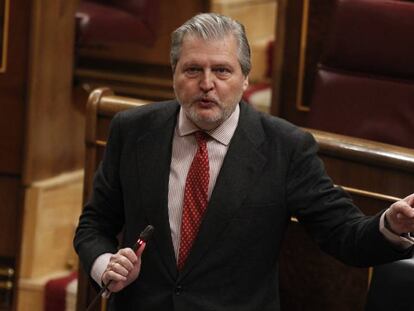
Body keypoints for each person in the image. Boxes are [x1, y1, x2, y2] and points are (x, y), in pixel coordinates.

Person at [74, 13, 414, 311]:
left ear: (246, 78)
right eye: (193, 69)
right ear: (173, 74)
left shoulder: (285, 147)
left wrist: (390, 226)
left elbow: (343, 234)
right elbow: (94, 225)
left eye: (222, 70)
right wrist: (106, 265)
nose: (207, 84)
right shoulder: (132, 130)